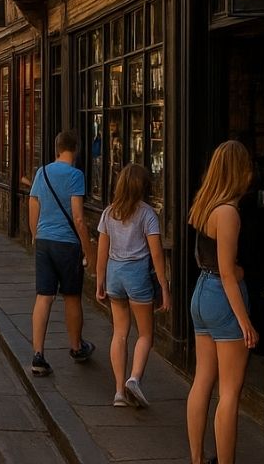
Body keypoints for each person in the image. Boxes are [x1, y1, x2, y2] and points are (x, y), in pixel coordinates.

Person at [185, 141, 256, 464]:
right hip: (221, 297)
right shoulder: (228, 212)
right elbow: (228, 272)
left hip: (201, 292)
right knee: (229, 392)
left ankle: (197, 458)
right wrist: (245, 322)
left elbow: (212, 259)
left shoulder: (204, 203)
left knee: (202, 380)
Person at [95, 164, 170, 408]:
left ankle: (118, 392)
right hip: (137, 275)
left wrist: (100, 282)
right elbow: (156, 254)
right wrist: (164, 287)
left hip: (115, 274)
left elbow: (102, 252)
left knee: (119, 332)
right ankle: (134, 378)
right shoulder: (147, 214)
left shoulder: (109, 213)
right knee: (145, 334)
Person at [27, 130, 96, 377]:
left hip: (44, 241)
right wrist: (89, 251)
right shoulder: (76, 175)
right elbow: (78, 216)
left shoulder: (42, 172)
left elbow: (33, 203)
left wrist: (35, 234)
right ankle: (76, 347)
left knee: (43, 297)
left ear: (57, 148)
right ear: (75, 149)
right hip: (67, 244)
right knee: (71, 296)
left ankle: (38, 354)